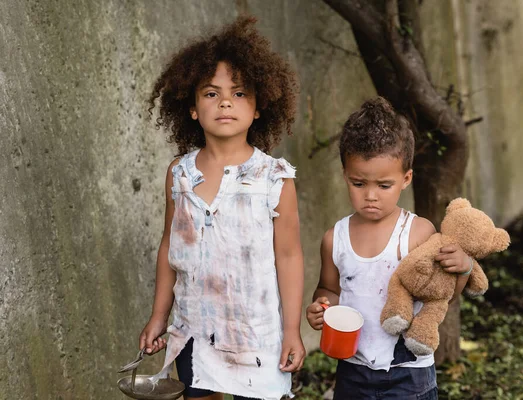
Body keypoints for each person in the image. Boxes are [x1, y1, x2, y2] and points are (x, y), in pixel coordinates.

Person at [138, 17, 305, 400]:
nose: (226, 101)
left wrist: (292, 329)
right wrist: (159, 316)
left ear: (260, 107)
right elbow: (170, 246)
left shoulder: (274, 178)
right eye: (211, 93)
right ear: (192, 108)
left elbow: (290, 255)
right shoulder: (179, 174)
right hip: (194, 328)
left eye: (240, 93)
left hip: (256, 335)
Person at [306, 97, 474, 400]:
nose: (371, 196)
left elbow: (444, 293)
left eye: (384, 185)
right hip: (353, 368)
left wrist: (463, 267)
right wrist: (322, 307)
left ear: (405, 179)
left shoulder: (418, 233)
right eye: (358, 183)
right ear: (345, 175)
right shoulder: (335, 238)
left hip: (410, 371)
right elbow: (329, 288)